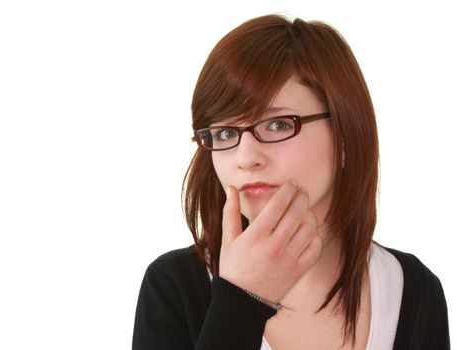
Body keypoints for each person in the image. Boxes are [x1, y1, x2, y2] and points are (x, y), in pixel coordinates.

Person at [132, 14, 450, 350]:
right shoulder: (174, 287)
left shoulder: (412, 290)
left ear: (344, 136)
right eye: (225, 133)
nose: (245, 157)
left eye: (278, 125)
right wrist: (240, 300)